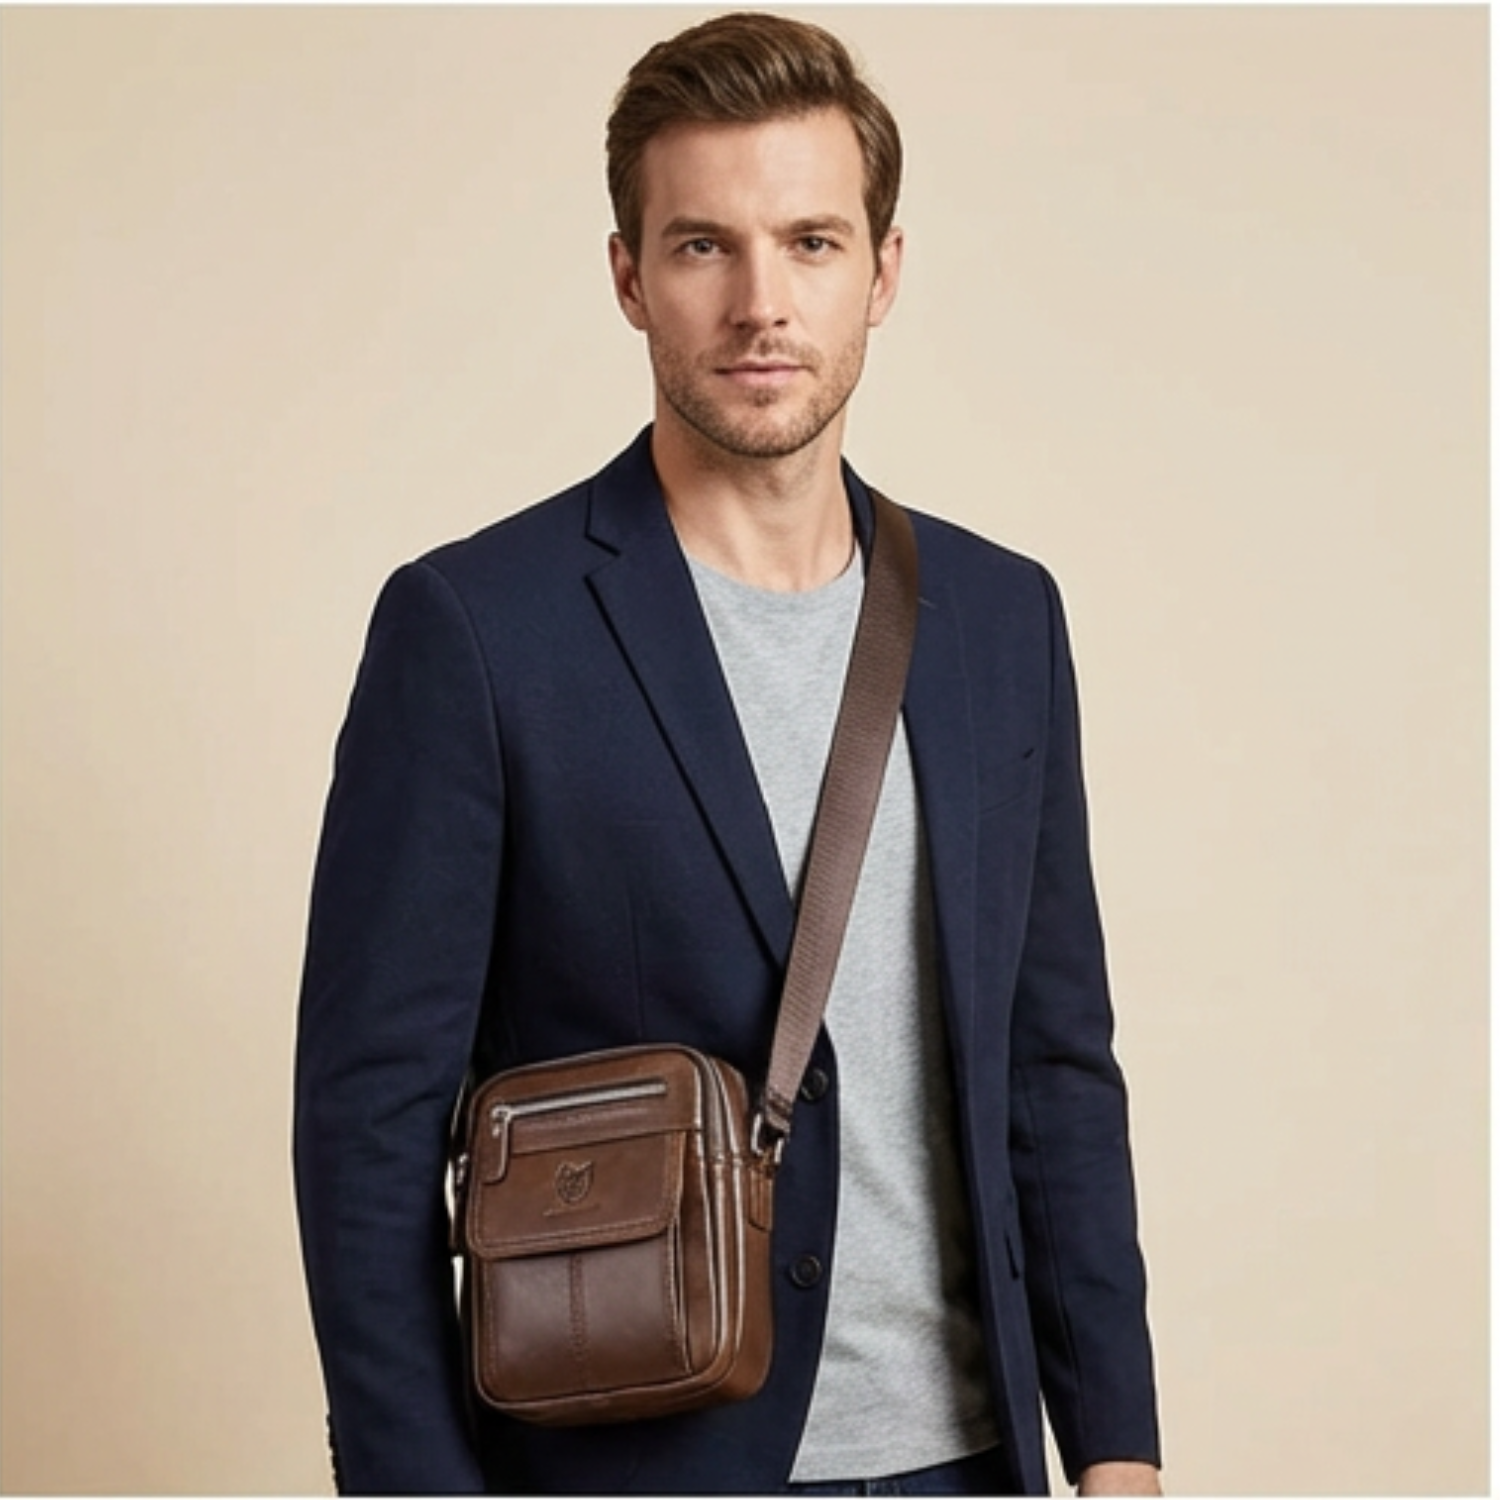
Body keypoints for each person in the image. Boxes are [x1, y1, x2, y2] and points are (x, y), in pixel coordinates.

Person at [293, 12, 1162, 1495]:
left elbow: (1054, 1069)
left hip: (972, 1460)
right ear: (629, 276)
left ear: (883, 272)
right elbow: (365, 1131)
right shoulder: (475, 632)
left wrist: (1120, 1453)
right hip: (631, 1467)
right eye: (704, 247)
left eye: (812, 243)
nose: (763, 303)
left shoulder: (1000, 621)